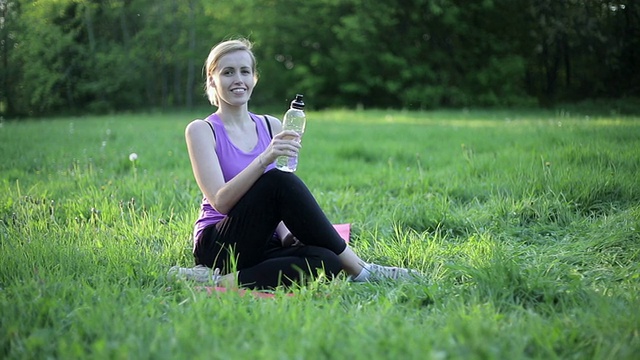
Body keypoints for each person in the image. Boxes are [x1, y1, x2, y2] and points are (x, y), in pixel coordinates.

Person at [169, 38, 417, 289]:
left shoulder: (271, 126)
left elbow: (276, 202)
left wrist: (287, 234)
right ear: (212, 79)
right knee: (277, 179)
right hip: (220, 243)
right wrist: (264, 158)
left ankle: (218, 280)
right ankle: (362, 269)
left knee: (327, 261)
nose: (238, 79)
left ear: (254, 77)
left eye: (245, 71)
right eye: (228, 72)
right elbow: (221, 201)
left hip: (265, 241)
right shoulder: (203, 130)